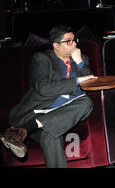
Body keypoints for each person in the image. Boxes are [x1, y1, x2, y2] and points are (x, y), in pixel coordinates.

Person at [0, 25, 97, 168]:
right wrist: (76, 82)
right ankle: (28, 126)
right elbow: (44, 88)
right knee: (53, 133)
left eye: (74, 40)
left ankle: (20, 131)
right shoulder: (42, 59)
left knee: (86, 103)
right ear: (56, 45)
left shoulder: (81, 59)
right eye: (68, 41)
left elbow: (89, 85)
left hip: (61, 114)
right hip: (35, 112)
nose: (75, 44)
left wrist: (80, 63)